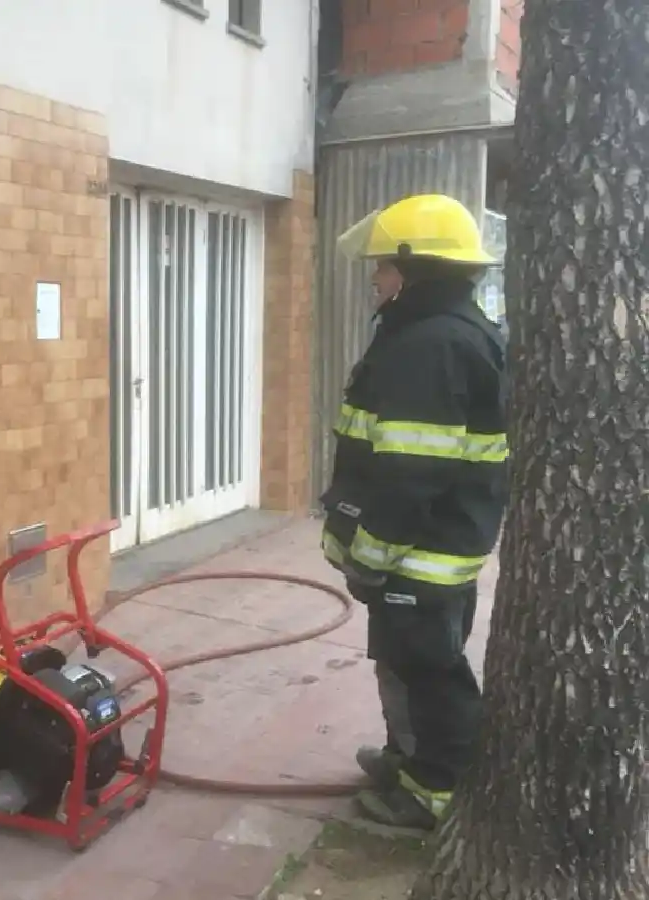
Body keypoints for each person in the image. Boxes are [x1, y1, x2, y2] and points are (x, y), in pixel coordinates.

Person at [321, 194, 509, 830]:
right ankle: (409, 758)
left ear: (413, 269)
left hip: (417, 549)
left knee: (430, 670)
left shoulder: (431, 346)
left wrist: (368, 556)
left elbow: (411, 471)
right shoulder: (447, 334)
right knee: (408, 658)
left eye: (382, 266)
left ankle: (435, 790)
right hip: (436, 542)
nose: (374, 278)